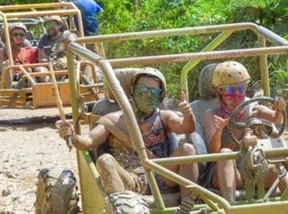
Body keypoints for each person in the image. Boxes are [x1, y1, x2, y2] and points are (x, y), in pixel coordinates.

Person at [58, 68, 198, 199]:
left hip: (164, 175)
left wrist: (188, 114)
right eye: (143, 89)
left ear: (160, 96)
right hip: (131, 179)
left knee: (188, 149)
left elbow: (186, 128)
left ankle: (188, 209)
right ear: (133, 91)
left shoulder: (164, 117)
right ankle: (121, 213)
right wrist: (73, 137)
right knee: (105, 160)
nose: (148, 95)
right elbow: (89, 140)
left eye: (154, 91)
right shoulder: (114, 120)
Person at [202, 61, 287, 203]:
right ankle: (231, 210)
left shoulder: (253, 109)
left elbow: (276, 119)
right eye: (230, 90)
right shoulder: (212, 114)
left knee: (277, 166)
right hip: (225, 171)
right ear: (220, 91)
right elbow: (213, 153)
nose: (237, 94)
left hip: (253, 169)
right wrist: (219, 130)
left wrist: (279, 108)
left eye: (241, 88)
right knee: (225, 154)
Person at [0, 23, 39, 88]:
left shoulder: (32, 51)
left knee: (27, 69)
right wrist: (5, 65)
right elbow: (0, 69)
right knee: (7, 65)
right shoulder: (4, 50)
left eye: (21, 35)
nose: (18, 37)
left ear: (25, 37)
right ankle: (9, 92)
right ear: (11, 36)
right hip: (11, 74)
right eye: (15, 34)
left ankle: (35, 92)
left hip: (25, 75)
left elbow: (35, 68)